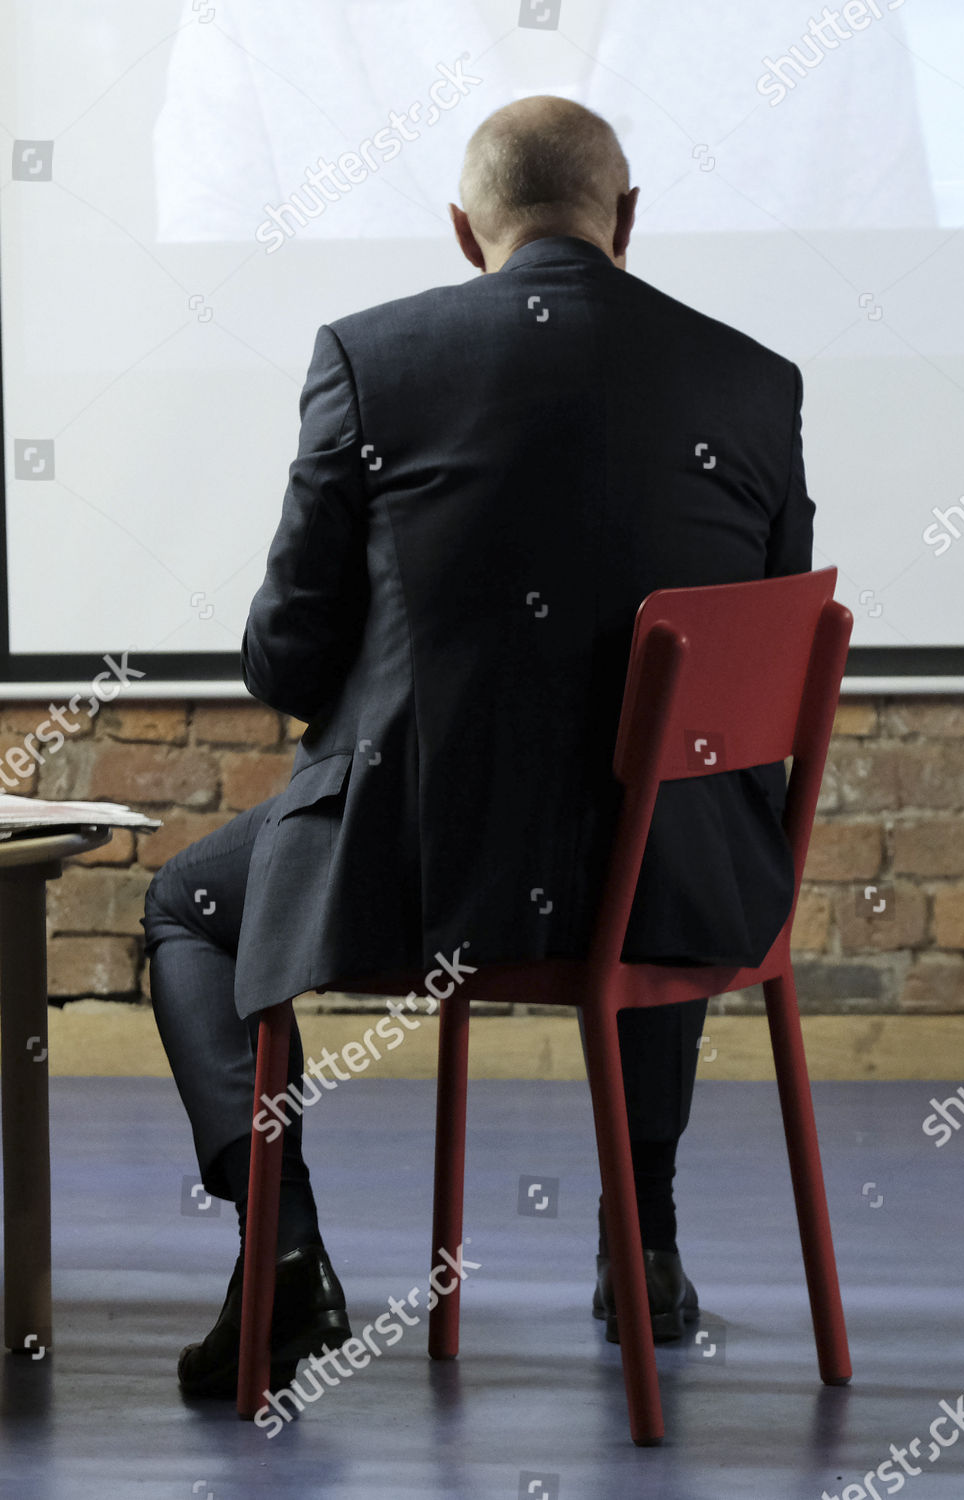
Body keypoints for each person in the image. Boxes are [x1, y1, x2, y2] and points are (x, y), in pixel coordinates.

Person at [142, 94, 814, 1397]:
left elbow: (286, 662)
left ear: (464, 231)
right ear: (627, 221)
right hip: (689, 882)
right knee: (653, 818)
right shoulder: (755, 380)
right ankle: (647, 1251)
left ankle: (281, 1259)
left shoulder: (368, 358)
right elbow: (743, 686)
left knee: (188, 907)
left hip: (417, 873)